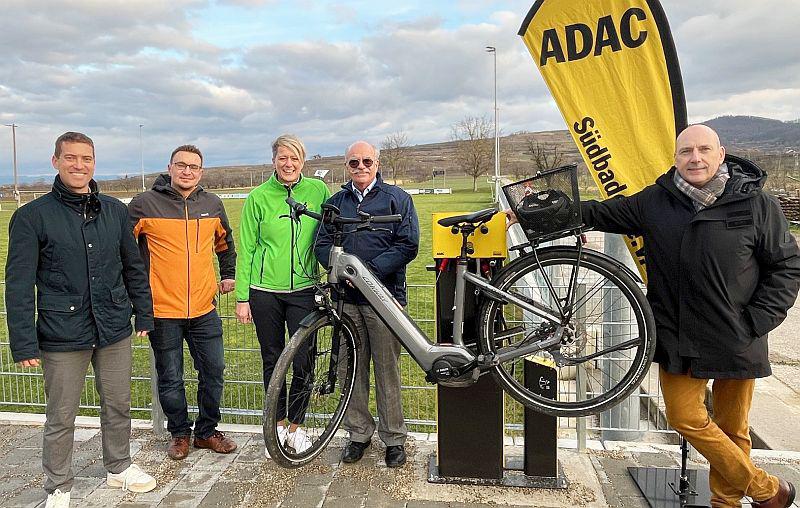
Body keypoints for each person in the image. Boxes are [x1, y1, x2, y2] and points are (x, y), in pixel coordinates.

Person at [571, 124, 798, 508]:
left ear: (720, 154)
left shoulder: (756, 203)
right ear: (675, 158)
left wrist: (757, 321)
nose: (695, 158)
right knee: (684, 417)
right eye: (686, 151)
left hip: (738, 335)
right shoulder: (657, 201)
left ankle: (725, 504)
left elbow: (787, 265)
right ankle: (764, 489)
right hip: (679, 335)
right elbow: (600, 212)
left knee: (733, 428)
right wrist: (540, 211)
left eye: (703, 150)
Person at [5, 132, 158, 508]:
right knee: (61, 415)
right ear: (55, 160)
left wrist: (144, 311)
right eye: (70, 158)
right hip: (62, 333)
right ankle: (58, 485)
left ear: (94, 162)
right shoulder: (31, 217)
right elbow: (19, 284)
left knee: (118, 404)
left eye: (86, 158)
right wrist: (23, 340)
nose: (79, 165)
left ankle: (119, 466)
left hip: (114, 327)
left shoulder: (115, 211)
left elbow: (133, 266)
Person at [128, 145, 237, 460]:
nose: (187, 171)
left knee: (214, 371)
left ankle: (206, 432)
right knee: (171, 376)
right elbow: (125, 250)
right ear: (170, 167)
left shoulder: (212, 203)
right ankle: (179, 433)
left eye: (194, 166)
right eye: (181, 165)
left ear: (201, 172)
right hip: (163, 311)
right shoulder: (144, 204)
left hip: (204, 308)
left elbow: (225, 243)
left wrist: (227, 273)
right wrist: (138, 296)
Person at [314, 140, 420, 468]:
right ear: (346, 165)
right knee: (351, 370)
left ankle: (393, 438)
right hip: (346, 302)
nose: (361, 167)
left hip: (384, 299)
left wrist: (367, 272)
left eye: (367, 161)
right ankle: (358, 433)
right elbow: (321, 243)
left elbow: (408, 244)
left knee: (387, 370)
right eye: (354, 162)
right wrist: (341, 270)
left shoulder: (397, 199)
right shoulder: (335, 203)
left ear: (377, 163)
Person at [234, 134, 331, 456]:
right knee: (272, 360)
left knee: (304, 361)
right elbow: (246, 248)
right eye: (282, 158)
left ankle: (296, 427)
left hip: (304, 290)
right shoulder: (258, 197)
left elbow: (330, 231)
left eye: (295, 158)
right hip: (265, 294)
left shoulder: (317, 191)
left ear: (303, 161)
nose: (288, 164)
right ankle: (275, 426)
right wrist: (243, 297)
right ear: (273, 160)